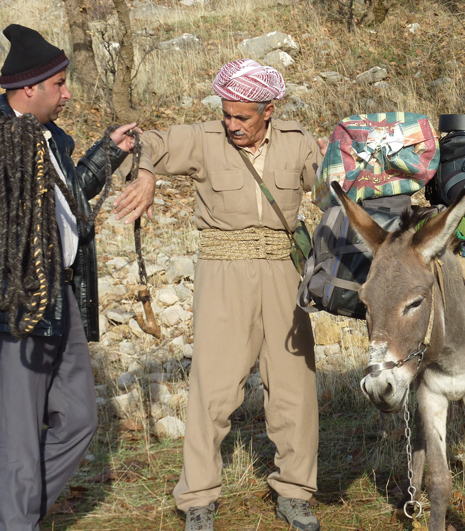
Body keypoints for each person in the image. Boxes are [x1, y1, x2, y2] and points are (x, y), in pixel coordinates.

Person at [0, 24, 154, 531]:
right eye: (60, 85)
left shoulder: (54, 138)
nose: (66, 94)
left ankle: (15, 520)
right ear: (29, 89)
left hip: (63, 295)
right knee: (20, 434)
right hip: (17, 301)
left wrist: (109, 151)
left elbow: (71, 197)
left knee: (80, 420)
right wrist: (5, 146)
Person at [114, 59, 325, 531]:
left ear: (269, 110)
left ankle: (295, 492)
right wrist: (145, 173)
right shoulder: (204, 138)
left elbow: (331, 183)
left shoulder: (296, 141)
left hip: (284, 275)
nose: (232, 125)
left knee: (294, 389)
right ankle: (198, 498)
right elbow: (142, 143)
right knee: (212, 388)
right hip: (223, 273)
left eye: (243, 117)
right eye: (227, 114)